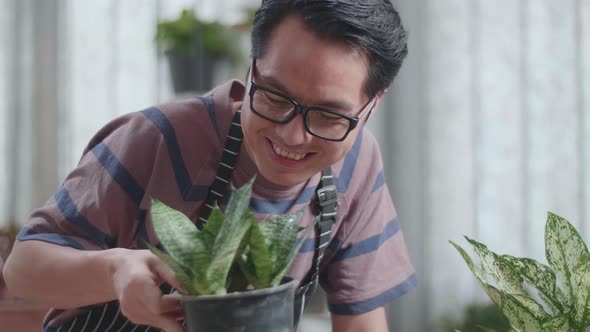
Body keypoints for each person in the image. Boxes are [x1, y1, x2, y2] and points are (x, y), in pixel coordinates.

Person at [3, 0, 416, 331]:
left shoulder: (358, 162)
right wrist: (114, 270)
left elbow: (360, 317)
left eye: (329, 116)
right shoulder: (160, 137)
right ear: (252, 68)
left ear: (372, 103)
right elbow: (23, 269)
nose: (291, 137)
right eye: (274, 97)